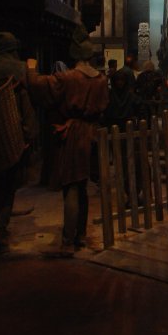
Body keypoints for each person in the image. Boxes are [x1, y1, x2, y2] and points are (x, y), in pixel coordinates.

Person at [28, 24, 109, 249]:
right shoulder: (101, 80)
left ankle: (67, 240)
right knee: (82, 187)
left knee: (71, 187)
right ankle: (81, 235)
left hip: (74, 134)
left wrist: (31, 69)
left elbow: (38, 86)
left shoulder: (68, 78)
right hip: (92, 134)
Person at [0, 31, 38, 253]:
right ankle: (1, 228)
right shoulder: (20, 69)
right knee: (9, 183)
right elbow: (26, 105)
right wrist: (30, 133)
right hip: (13, 133)